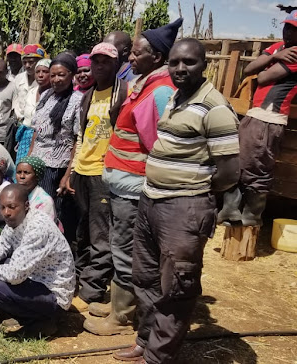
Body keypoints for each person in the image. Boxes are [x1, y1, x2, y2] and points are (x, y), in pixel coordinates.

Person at [116, 38, 240, 364]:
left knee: (176, 288)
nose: (181, 69)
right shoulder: (174, 96)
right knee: (145, 279)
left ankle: (159, 357)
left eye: (189, 63)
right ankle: (145, 340)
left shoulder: (215, 109)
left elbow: (229, 172)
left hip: (183, 209)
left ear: (205, 65)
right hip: (151, 201)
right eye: (175, 63)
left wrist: (192, 190)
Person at [97, 19, 179, 317]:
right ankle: (118, 305)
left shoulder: (159, 92)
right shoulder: (144, 85)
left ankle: (122, 315)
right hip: (122, 183)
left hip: (134, 187)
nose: (130, 58)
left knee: (125, 249)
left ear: (156, 57)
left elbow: (158, 145)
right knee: (119, 243)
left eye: (136, 53)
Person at [64, 43, 130, 334]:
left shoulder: (124, 93)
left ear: (116, 64)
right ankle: (80, 278)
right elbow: (80, 137)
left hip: (106, 173)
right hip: (82, 170)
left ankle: (92, 290)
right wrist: (71, 171)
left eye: (106, 61)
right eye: (96, 62)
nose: (99, 66)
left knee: (101, 234)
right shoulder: (88, 95)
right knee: (82, 231)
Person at [0, 184, 75, 336]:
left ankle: (42, 321)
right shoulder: (17, 220)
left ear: (26, 205)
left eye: (12, 207)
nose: (6, 213)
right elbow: (3, 245)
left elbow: (15, 275)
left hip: (54, 295)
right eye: (3, 207)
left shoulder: (37, 229)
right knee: (0, 268)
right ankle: (29, 314)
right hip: (35, 279)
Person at [218, 11, 297, 227]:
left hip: (269, 118)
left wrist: (270, 60)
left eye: (294, 29)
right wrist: (274, 57)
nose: (288, 32)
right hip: (257, 115)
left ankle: (251, 218)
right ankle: (233, 212)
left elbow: (262, 77)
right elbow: (249, 69)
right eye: (287, 26)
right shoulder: (279, 49)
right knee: (241, 161)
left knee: (256, 166)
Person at [29, 53, 82, 227]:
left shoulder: (77, 101)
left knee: (52, 212)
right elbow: (37, 131)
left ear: (72, 75)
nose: (56, 79)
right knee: (36, 207)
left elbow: (76, 140)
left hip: (57, 166)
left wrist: (67, 175)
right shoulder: (46, 96)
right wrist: (29, 159)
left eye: (61, 75)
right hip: (38, 162)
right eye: (53, 75)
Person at [13, 44, 46, 127]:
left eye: (31, 62)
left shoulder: (45, 81)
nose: (27, 65)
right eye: (24, 62)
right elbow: (15, 100)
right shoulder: (18, 78)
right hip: (19, 124)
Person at [15, 157, 56, 221]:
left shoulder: (45, 201)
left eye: (26, 173)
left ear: (37, 176)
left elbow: (43, 228)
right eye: (19, 172)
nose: (22, 176)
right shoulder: (14, 194)